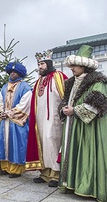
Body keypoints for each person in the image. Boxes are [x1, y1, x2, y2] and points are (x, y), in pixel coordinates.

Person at [58, 45, 107, 202]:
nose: (71, 68)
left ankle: (89, 186)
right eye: (71, 66)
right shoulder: (71, 82)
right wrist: (64, 109)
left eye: (74, 66)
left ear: (84, 66)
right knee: (74, 153)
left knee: (87, 153)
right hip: (73, 124)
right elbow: (66, 100)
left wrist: (75, 110)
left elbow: (97, 104)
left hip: (90, 128)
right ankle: (72, 183)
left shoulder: (99, 81)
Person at [25, 50, 68, 187]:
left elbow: (66, 96)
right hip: (40, 119)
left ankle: (56, 173)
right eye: (38, 64)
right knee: (42, 144)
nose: (40, 67)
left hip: (55, 118)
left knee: (52, 143)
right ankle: (44, 174)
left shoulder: (59, 76)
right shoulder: (38, 81)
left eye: (42, 64)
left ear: (49, 63)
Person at [0, 62, 32, 178]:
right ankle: (5, 167)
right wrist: (1, 112)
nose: (12, 74)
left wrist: (9, 113)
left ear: (20, 74)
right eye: (11, 71)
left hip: (17, 122)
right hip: (5, 121)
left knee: (17, 144)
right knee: (4, 143)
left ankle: (16, 169)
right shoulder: (4, 87)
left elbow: (25, 104)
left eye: (15, 72)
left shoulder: (25, 87)